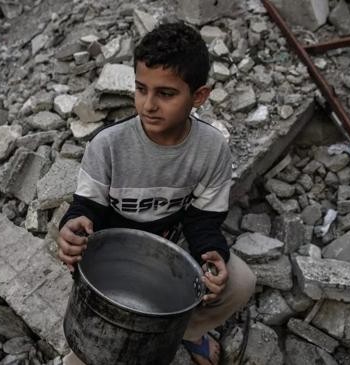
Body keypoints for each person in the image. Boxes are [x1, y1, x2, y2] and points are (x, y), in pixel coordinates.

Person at [57, 22, 256, 365]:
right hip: (113, 251)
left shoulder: (211, 150)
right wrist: (74, 226)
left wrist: (212, 253)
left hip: (170, 244)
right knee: (90, 354)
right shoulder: (108, 146)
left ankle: (189, 330)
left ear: (199, 96)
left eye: (166, 94)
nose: (148, 105)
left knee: (240, 282)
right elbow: (86, 206)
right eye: (141, 89)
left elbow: (203, 221)